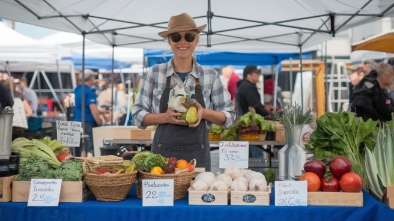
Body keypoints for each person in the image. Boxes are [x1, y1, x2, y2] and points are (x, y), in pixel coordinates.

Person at [132, 13, 236, 171]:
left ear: (196, 40)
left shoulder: (210, 76)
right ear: (169, 40)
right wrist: (165, 117)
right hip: (162, 161)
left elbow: (229, 116)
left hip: (198, 160)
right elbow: (137, 115)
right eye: (176, 37)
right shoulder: (154, 74)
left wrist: (204, 113)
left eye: (189, 36)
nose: (183, 42)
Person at [235, 65, 273, 158]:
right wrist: (270, 115)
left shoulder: (244, 86)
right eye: (256, 73)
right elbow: (256, 106)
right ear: (249, 75)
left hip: (246, 126)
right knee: (255, 156)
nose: (259, 75)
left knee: (249, 155)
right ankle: (257, 172)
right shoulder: (247, 87)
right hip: (251, 128)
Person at [74, 70, 102, 157]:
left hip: (77, 120)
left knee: (82, 146)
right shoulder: (89, 92)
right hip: (88, 121)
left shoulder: (77, 89)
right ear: (91, 78)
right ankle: (89, 164)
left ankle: (82, 163)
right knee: (90, 146)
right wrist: (98, 121)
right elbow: (93, 108)